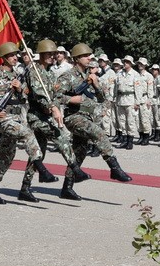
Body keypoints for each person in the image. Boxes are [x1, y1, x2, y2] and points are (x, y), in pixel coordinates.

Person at [0, 41, 56, 204]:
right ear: (4, 57)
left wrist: (19, 89)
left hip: (17, 117)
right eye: (11, 55)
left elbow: (25, 97)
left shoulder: (17, 76)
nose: (15, 58)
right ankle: (41, 169)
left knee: (6, 155)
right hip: (3, 119)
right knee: (27, 134)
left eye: (15, 55)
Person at [53, 44, 132, 182]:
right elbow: (54, 97)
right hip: (74, 117)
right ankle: (114, 168)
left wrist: (96, 86)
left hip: (88, 116)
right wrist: (70, 99)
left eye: (89, 55)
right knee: (98, 133)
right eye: (85, 56)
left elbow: (102, 99)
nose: (89, 58)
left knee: (80, 152)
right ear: (76, 59)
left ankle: (67, 186)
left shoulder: (90, 76)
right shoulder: (67, 76)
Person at [23, 39, 88, 200]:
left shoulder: (50, 73)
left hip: (47, 116)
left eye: (54, 54)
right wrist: (52, 108)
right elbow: (39, 95)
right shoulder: (34, 71)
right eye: (49, 54)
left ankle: (25, 188)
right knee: (60, 137)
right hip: (36, 116)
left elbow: (55, 95)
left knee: (39, 153)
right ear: (41, 54)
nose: (53, 57)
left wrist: (57, 105)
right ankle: (75, 169)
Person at [114, 55, 141, 150]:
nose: (125, 63)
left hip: (130, 100)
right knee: (122, 121)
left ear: (131, 64)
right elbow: (116, 88)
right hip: (121, 100)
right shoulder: (119, 74)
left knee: (130, 121)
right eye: (124, 62)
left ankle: (130, 141)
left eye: (127, 62)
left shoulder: (135, 74)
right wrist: (115, 99)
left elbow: (138, 90)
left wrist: (137, 102)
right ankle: (124, 140)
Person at [135, 58, 155, 145]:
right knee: (138, 120)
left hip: (144, 98)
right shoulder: (136, 75)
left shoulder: (148, 76)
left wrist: (149, 99)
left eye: (142, 64)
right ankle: (141, 136)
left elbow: (150, 89)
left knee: (145, 119)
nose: (140, 65)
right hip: (137, 99)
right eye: (139, 64)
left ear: (145, 65)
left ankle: (146, 137)